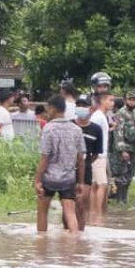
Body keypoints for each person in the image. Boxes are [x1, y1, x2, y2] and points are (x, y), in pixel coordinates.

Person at [33, 95, 85, 233]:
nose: (47, 112)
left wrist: (37, 180)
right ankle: (74, 242)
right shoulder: (77, 129)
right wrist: (81, 182)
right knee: (70, 213)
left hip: (49, 177)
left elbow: (45, 157)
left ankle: (41, 244)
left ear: (53, 108)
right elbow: (80, 159)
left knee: (42, 212)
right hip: (68, 178)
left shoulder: (48, 129)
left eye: (48, 108)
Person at [73, 98, 101, 229]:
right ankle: (67, 232)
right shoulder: (70, 125)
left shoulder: (96, 129)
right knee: (68, 204)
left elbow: (96, 153)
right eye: (78, 105)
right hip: (68, 169)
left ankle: (80, 233)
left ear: (90, 108)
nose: (80, 107)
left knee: (82, 203)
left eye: (84, 105)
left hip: (86, 168)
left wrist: (86, 164)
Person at [109, 91, 135, 205]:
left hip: (133, 148)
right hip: (123, 149)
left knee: (129, 174)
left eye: (134, 99)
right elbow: (119, 132)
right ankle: (120, 200)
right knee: (121, 174)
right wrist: (123, 150)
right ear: (125, 100)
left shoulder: (134, 113)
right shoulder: (121, 113)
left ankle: (124, 199)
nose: (132, 101)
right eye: (130, 99)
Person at [89, 92, 113, 223]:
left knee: (95, 185)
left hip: (100, 154)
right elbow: (93, 133)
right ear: (103, 101)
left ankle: (93, 213)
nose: (112, 103)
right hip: (98, 155)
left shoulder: (102, 116)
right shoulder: (98, 116)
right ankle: (97, 214)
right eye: (110, 100)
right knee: (102, 184)